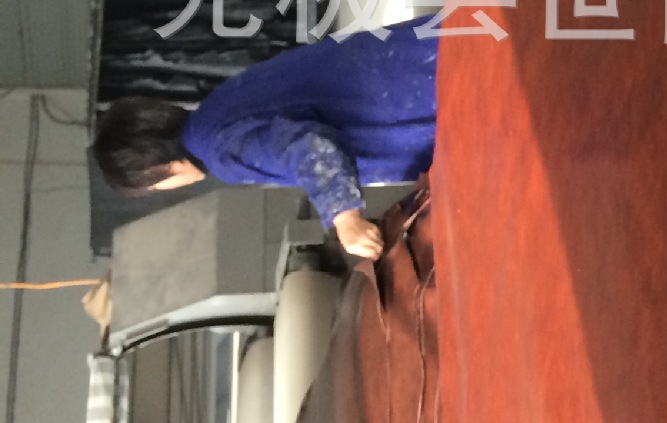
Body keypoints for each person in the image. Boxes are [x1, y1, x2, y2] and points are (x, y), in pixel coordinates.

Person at [92, 19, 438, 259]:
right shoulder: (216, 108)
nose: (164, 189)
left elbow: (311, 146)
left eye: (154, 187)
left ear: (153, 168)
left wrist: (344, 217)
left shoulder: (219, 149)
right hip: (419, 54)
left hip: (425, 98)